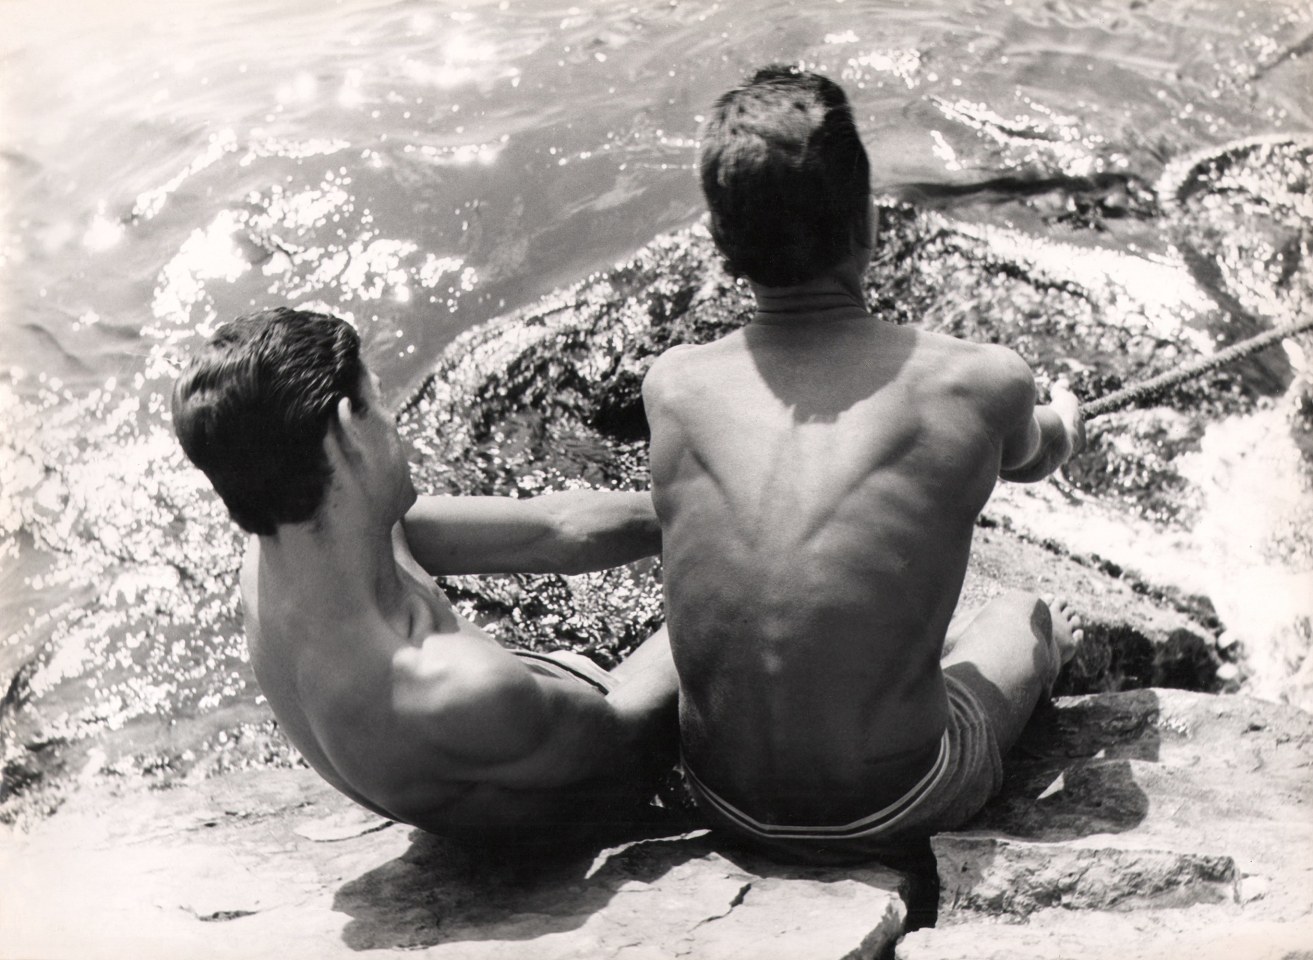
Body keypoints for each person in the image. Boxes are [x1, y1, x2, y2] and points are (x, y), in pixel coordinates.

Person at [641, 65, 1085, 865]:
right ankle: (1049, 661)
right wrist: (1066, 417)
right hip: (893, 801)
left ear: (718, 243)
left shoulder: (671, 384)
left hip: (718, 796)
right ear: (868, 222)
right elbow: (1035, 455)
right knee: (1025, 614)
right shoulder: (979, 378)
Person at [172, 306, 679, 846]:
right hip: (592, 785)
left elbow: (551, 531)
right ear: (348, 431)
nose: (395, 422)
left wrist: (702, 502)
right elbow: (630, 739)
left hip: (523, 731)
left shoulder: (285, 547)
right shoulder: (449, 687)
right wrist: (745, 551)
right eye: (381, 400)